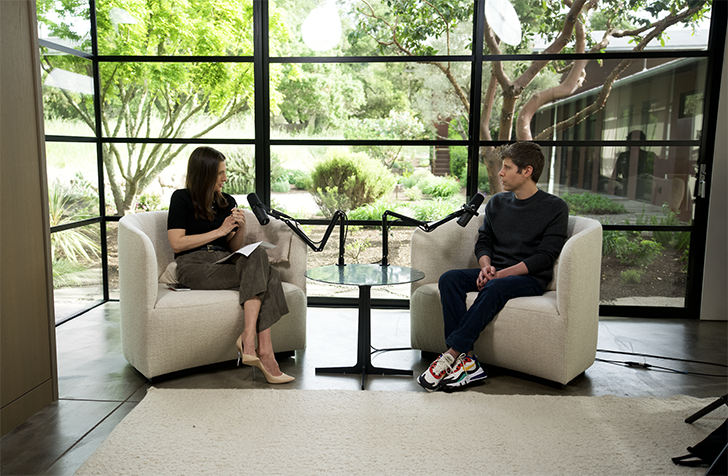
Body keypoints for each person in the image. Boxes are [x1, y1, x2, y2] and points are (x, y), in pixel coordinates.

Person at [417, 141, 569, 392]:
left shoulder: (555, 207)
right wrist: (486, 266)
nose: (500, 172)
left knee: (495, 287)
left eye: (507, 167)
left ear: (527, 171)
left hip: (529, 278)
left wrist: (500, 275)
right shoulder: (497, 202)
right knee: (450, 279)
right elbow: (484, 240)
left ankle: (451, 354)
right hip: (495, 272)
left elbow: (544, 257)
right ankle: (467, 362)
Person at [167, 146, 294, 384]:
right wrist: (220, 230)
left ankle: (251, 339)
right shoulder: (181, 198)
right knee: (269, 274)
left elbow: (234, 248)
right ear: (204, 173)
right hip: (194, 266)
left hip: (224, 260)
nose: (225, 178)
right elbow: (177, 243)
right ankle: (264, 351)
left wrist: (241, 229)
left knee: (258, 255)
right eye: (220, 173)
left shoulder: (227, 202)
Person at [610, 130, 656, 200]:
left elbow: (658, 177)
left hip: (646, 192)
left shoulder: (650, 156)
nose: (634, 144)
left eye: (637, 141)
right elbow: (614, 176)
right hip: (627, 191)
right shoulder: (623, 156)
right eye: (632, 141)